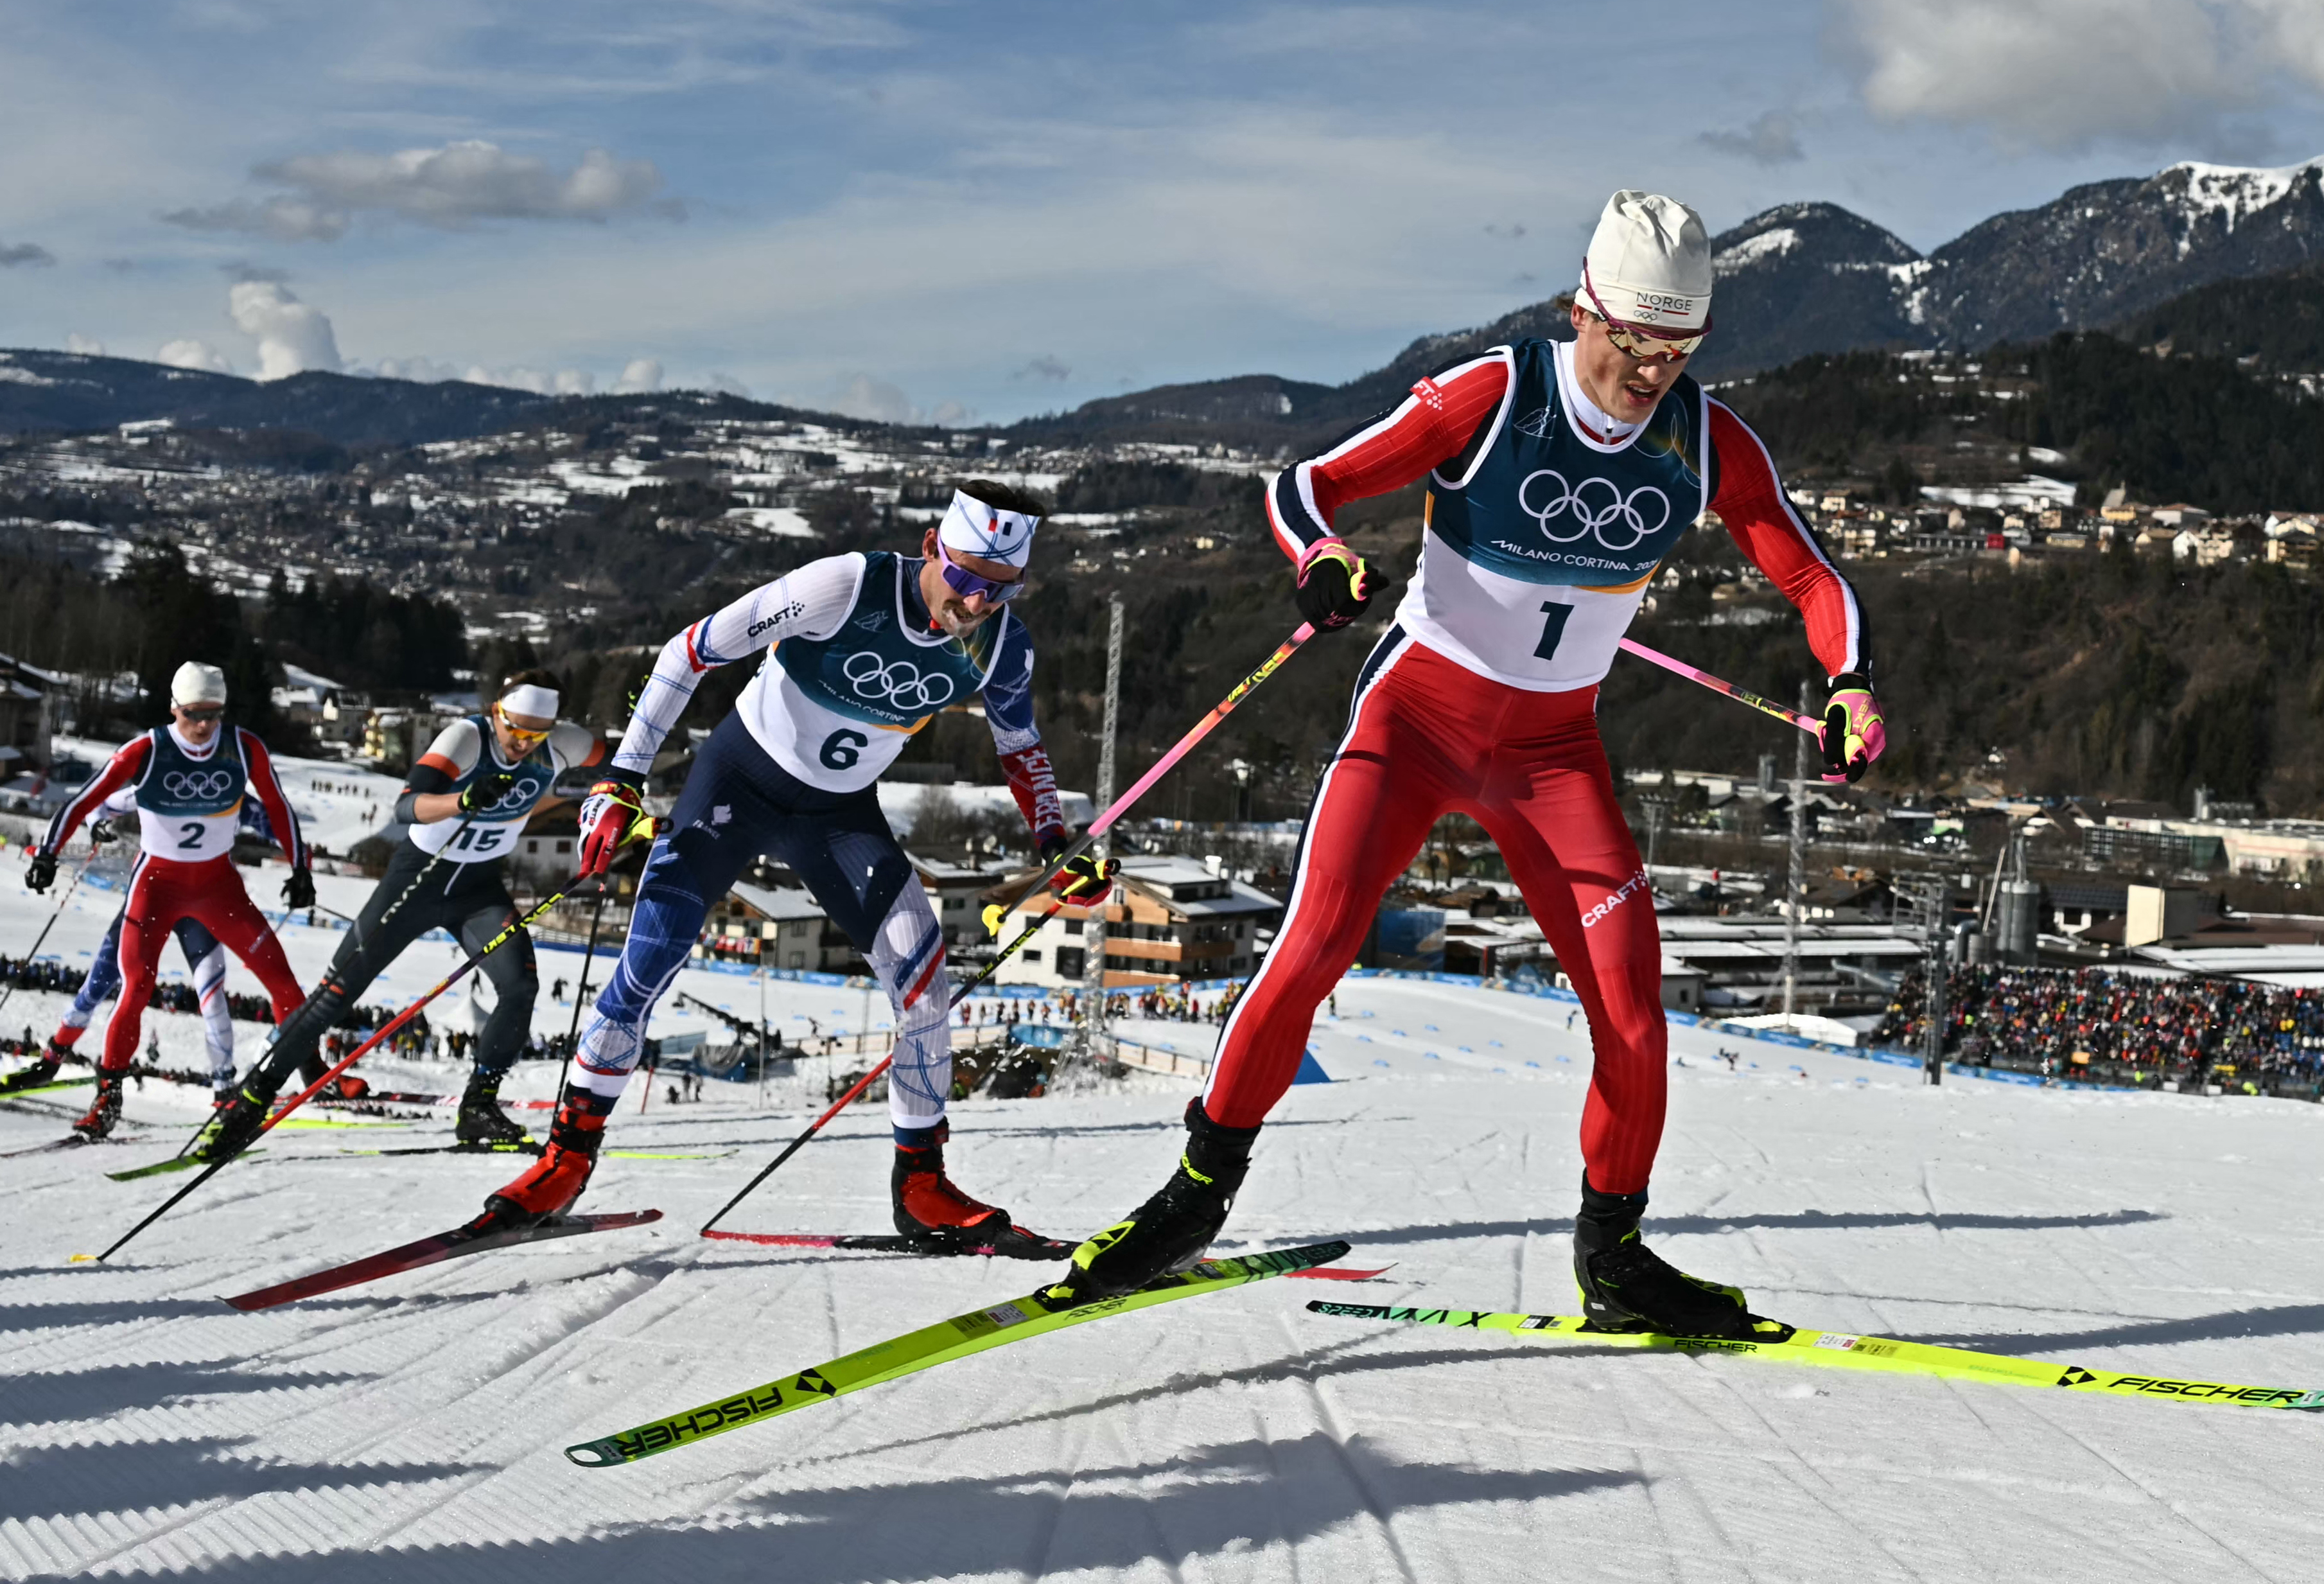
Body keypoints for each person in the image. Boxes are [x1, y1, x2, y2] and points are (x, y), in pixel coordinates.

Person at [1062, 191, 1879, 1315]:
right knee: (1309, 950)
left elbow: (1809, 573)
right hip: (1414, 726)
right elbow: (1306, 485)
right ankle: (1191, 1199)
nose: (1652, 372)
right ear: (1582, 308)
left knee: (1632, 1014)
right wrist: (1320, 555)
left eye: (1679, 349)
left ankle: (1614, 1258)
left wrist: (1849, 682)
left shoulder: (1705, 439)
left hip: (1553, 755)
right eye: (1634, 341)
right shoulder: (1495, 393)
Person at [484, 486, 1102, 1246]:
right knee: (646, 966)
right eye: (965, 577)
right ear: (931, 546)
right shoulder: (844, 586)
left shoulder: (1000, 644)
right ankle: (565, 1160)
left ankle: (921, 1184)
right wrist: (622, 780)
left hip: (838, 818)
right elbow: (688, 651)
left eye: (1000, 588)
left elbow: (1021, 746)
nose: (976, 603)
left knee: (924, 983)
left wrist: (1056, 843)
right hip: (734, 788)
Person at [197, 675, 578, 1162]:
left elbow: (618, 759)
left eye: (536, 735)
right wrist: (462, 800)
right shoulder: (468, 738)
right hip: (418, 881)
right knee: (336, 994)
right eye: (516, 729)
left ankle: (479, 1108)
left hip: (478, 890)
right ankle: (251, 1100)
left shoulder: (563, 744)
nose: (523, 743)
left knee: (520, 986)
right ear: (497, 712)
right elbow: (406, 806)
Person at [22, 664, 312, 1142]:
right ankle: (107, 1097)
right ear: (175, 708)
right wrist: (48, 854)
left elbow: (277, 806)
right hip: (156, 887)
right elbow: (82, 802)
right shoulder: (146, 750)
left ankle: (310, 1074)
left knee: (281, 980)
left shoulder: (243, 747)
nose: (205, 725)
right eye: (195, 714)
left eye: (214, 714)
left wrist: (300, 868)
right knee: (135, 986)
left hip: (218, 887)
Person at [4, 822, 233, 1098]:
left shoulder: (222, 800)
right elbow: (97, 805)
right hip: (147, 901)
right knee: (95, 988)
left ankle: (224, 1090)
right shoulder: (154, 795)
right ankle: (52, 1063)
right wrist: (96, 825)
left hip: (196, 903)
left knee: (211, 997)